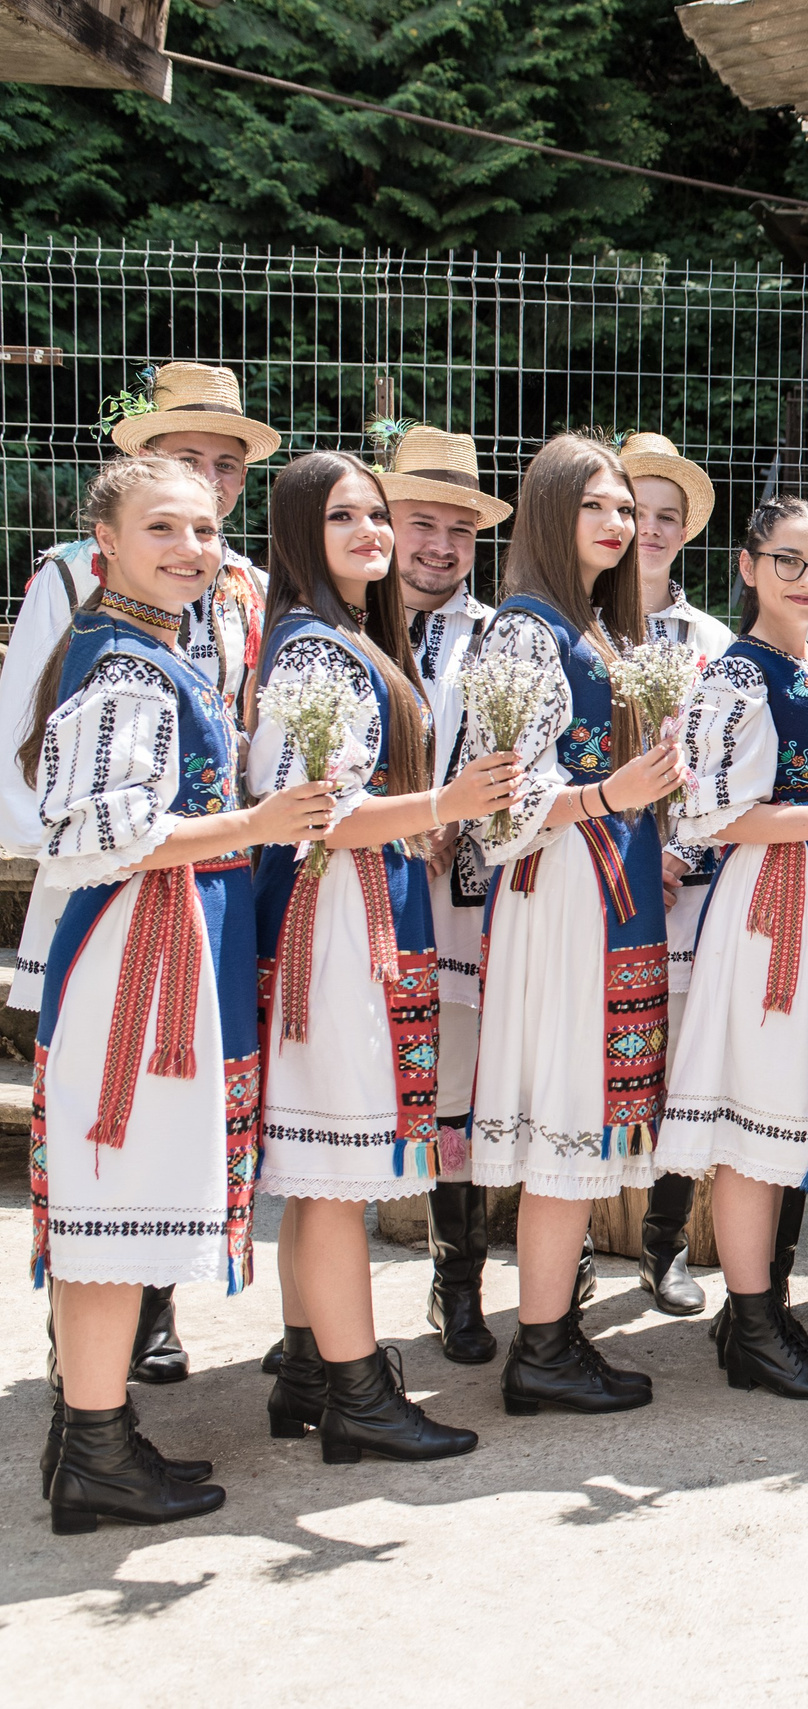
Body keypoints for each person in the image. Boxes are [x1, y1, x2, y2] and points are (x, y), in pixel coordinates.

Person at [24, 457, 333, 1531]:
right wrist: (254, 826)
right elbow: (89, 834)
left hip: (162, 946)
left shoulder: (153, 649)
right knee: (118, 1200)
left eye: (205, 530)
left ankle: (86, 1437)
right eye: (163, 528)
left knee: (119, 1198)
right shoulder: (126, 667)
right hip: (138, 959)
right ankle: (98, 1450)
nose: (192, 548)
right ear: (102, 540)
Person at [2, 360, 279, 1386]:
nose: (195, 530)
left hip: (189, 893)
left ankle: (113, 1373)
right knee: (113, 1143)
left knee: (149, 1143)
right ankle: (95, 1395)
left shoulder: (235, 587)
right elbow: (49, 768)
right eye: (174, 499)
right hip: (124, 903)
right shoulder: (79, 588)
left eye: (222, 478)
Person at [248, 452, 517, 1464]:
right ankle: (356, 1392)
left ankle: (313, 1374)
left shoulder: (340, 636)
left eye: (375, 512)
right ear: (299, 530)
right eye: (343, 515)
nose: (369, 529)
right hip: (335, 919)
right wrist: (452, 801)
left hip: (351, 909)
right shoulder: (319, 649)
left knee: (328, 1168)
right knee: (330, 1173)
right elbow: (316, 813)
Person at [460, 433, 683, 1416]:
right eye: (597, 504)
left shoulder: (599, 629)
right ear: (552, 511)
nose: (618, 522)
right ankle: (541, 1347)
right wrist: (612, 793)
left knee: (587, 1121)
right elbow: (490, 801)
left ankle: (553, 1334)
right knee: (567, 1113)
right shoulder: (523, 630)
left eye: (627, 508)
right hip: (561, 904)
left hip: (612, 895)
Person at [659, 496, 808, 1401]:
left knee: (796, 1110)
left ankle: (761, 1310)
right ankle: (754, 1323)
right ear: (749, 566)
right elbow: (714, 812)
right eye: (789, 562)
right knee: (759, 1121)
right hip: (777, 910)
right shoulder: (738, 676)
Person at [379, 426, 512, 1364]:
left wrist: (465, 818)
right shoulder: (346, 624)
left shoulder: (498, 631)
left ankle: (455, 1283)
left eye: (458, 530)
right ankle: (313, 1324)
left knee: (455, 1083)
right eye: (420, 522)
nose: (439, 545)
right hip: (363, 886)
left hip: (462, 895)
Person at [622, 430, 734, 1319]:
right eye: (634, 512)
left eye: (666, 517)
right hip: (593, 873)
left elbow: (731, 765)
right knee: (588, 1057)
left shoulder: (709, 639)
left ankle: (665, 1242)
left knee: (680, 1059)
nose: (648, 531)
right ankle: (577, 1244)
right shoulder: (577, 622)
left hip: (686, 882)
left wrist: (680, 851)